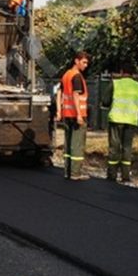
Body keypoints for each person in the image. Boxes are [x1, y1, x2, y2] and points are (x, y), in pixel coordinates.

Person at [102, 67, 138, 182]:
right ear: (133, 74)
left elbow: (105, 102)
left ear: (121, 72)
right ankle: (126, 176)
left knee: (114, 147)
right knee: (127, 148)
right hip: (131, 121)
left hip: (116, 119)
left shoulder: (115, 84)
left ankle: (112, 175)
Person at [56, 51, 90, 180]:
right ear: (76, 61)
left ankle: (67, 172)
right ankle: (75, 173)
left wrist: (59, 111)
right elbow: (76, 95)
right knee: (77, 144)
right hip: (76, 116)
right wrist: (80, 115)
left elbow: (59, 92)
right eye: (84, 62)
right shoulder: (76, 76)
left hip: (67, 114)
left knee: (68, 142)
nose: (86, 65)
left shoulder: (66, 75)